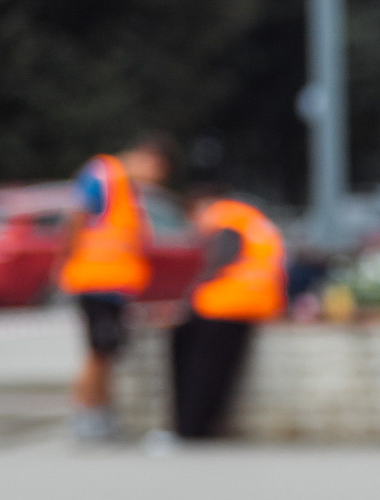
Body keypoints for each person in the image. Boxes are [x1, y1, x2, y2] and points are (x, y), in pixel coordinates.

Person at [55, 133, 171, 441]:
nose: (155, 179)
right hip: (94, 280)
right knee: (98, 351)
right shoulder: (103, 174)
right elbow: (76, 216)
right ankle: (84, 415)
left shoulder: (126, 188)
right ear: (148, 158)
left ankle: (101, 414)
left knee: (107, 351)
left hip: (114, 284)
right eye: (157, 170)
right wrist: (68, 259)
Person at [167, 185, 286, 440]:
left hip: (221, 304)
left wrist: (185, 298)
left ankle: (189, 429)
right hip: (257, 302)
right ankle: (202, 428)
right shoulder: (248, 217)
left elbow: (219, 259)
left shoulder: (220, 216)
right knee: (219, 371)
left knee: (198, 369)